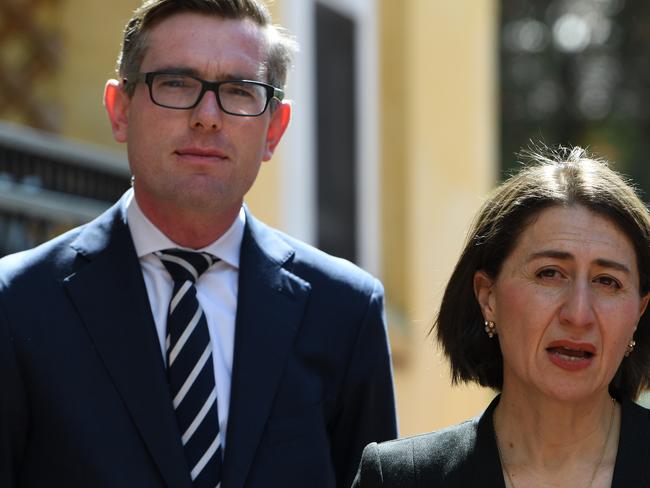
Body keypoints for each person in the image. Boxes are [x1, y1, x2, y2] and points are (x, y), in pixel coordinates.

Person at [0, 1, 397, 487]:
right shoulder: (17, 303)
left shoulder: (345, 311)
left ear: (274, 129)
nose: (207, 116)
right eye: (176, 83)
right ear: (120, 110)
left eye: (239, 90)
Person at [353, 146, 650, 487]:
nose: (578, 314)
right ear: (487, 296)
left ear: (639, 313)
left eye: (607, 282)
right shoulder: (401, 479)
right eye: (549, 274)